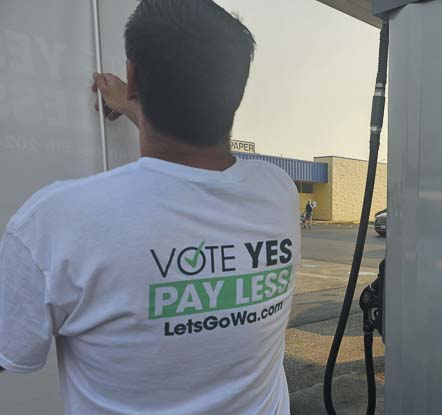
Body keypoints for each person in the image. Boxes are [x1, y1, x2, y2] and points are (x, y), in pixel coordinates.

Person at [0, 1, 299, 414]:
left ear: (133, 75)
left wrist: (132, 103)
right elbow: (189, 164)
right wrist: (135, 106)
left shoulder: (56, 220)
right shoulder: (278, 194)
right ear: (238, 90)